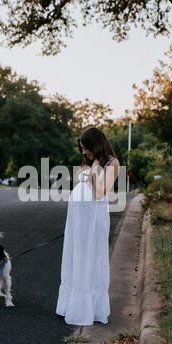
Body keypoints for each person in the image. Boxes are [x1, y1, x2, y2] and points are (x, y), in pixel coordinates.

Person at [56, 127, 120, 325]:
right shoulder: (93, 162)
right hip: (79, 219)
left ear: (96, 144)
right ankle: (70, 305)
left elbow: (100, 193)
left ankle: (86, 309)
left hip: (93, 220)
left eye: (86, 148)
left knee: (89, 257)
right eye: (82, 149)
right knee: (75, 257)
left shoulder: (112, 163)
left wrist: (93, 171)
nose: (84, 153)